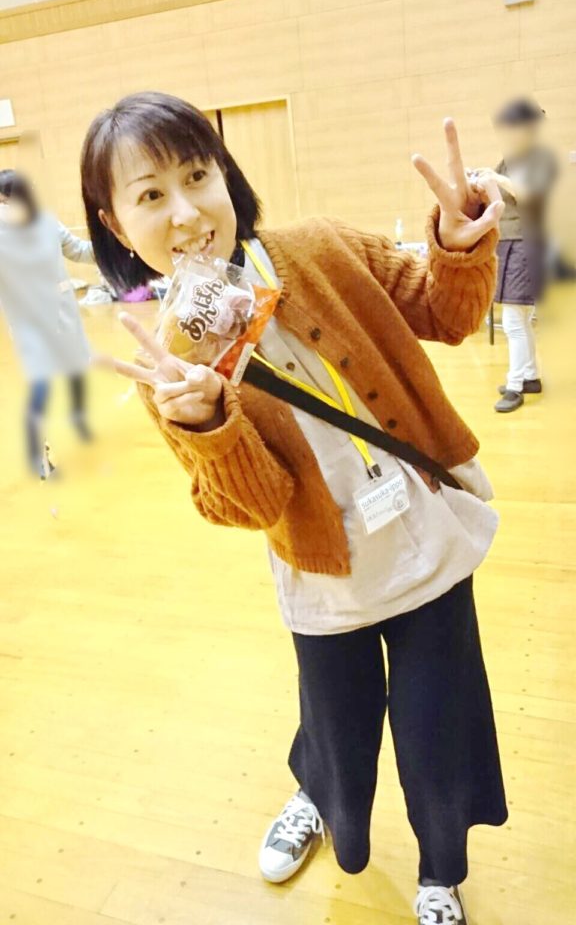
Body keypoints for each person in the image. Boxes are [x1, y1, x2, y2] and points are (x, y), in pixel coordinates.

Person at [81, 92, 508, 925]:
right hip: (321, 571)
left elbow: (446, 312)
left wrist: (459, 244)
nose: (186, 211)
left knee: (441, 726)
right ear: (116, 225)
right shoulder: (170, 363)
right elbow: (256, 505)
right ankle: (315, 795)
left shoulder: (319, 248)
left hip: (425, 537)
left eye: (196, 175)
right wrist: (209, 424)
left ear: (227, 175)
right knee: (335, 726)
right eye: (151, 194)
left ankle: (440, 873)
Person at [0, 170, 95, 478]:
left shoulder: (45, 222)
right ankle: (39, 454)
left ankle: (76, 421)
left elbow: (79, 250)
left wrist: (114, 247)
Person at [473, 98, 557, 413]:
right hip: (509, 242)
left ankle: (515, 385)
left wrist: (497, 180)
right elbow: (499, 193)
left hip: (527, 242)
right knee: (519, 317)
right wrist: (481, 180)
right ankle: (530, 376)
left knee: (513, 320)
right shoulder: (510, 160)